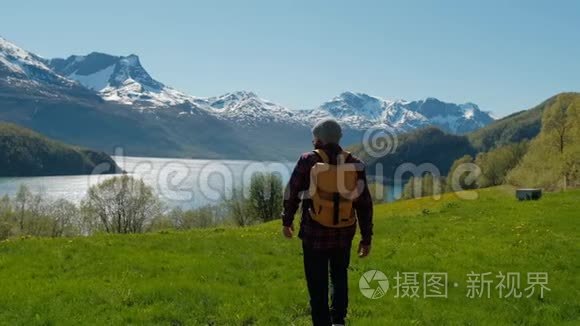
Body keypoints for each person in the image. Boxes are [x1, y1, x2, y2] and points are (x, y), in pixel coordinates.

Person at [282, 118, 373, 326]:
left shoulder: (307, 161)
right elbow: (364, 203)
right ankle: (338, 320)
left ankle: (321, 323)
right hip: (344, 231)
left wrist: (287, 220)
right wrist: (366, 238)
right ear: (339, 138)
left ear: (318, 139)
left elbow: (292, 192)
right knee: (339, 277)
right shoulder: (355, 164)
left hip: (314, 233)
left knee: (317, 284)